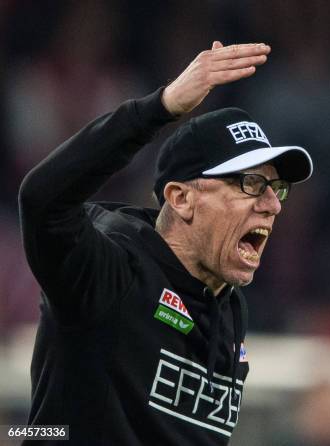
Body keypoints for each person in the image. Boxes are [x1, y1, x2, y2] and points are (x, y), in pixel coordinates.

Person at [18, 41, 313, 445]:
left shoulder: (228, 307)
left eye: (276, 188)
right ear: (181, 198)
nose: (271, 205)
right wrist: (159, 108)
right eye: (250, 184)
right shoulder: (109, 274)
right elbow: (41, 200)